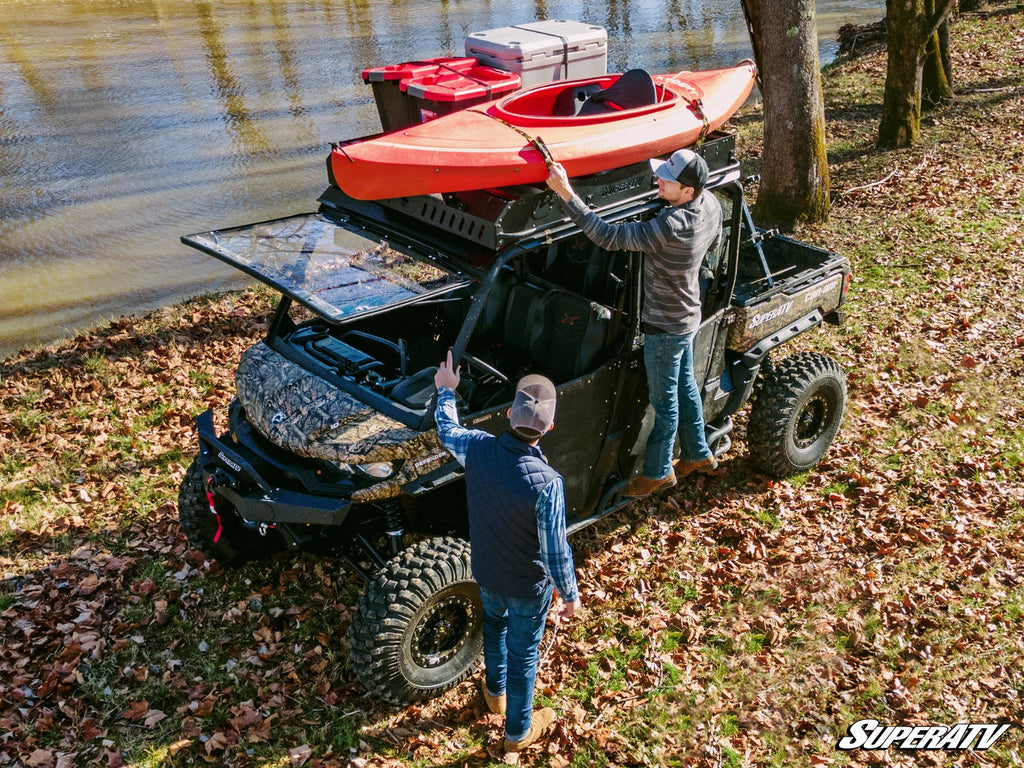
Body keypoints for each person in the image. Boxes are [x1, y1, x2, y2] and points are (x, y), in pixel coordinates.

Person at [546, 148, 721, 498]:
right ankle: (697, 453)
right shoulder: (711, 205)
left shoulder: (669, 227)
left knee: (664, 401)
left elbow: (608, 237)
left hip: (665, 326)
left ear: (687, 192)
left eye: (667, 180)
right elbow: (714, 243)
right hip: (688, 315)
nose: (659, 179)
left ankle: (656, 472)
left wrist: (565, 192)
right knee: (685, 386)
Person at [433, 350, 580, 753]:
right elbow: (554, 552)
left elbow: (446, 429)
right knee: (524, 655)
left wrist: (447, 391)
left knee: (493, 629)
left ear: (508, 415)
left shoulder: (476, 448)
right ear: (549, 428)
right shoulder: (548, 484)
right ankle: (517, 733)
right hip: (526, 588)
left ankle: (494, 694)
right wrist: (569, 594)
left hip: (486, 571)